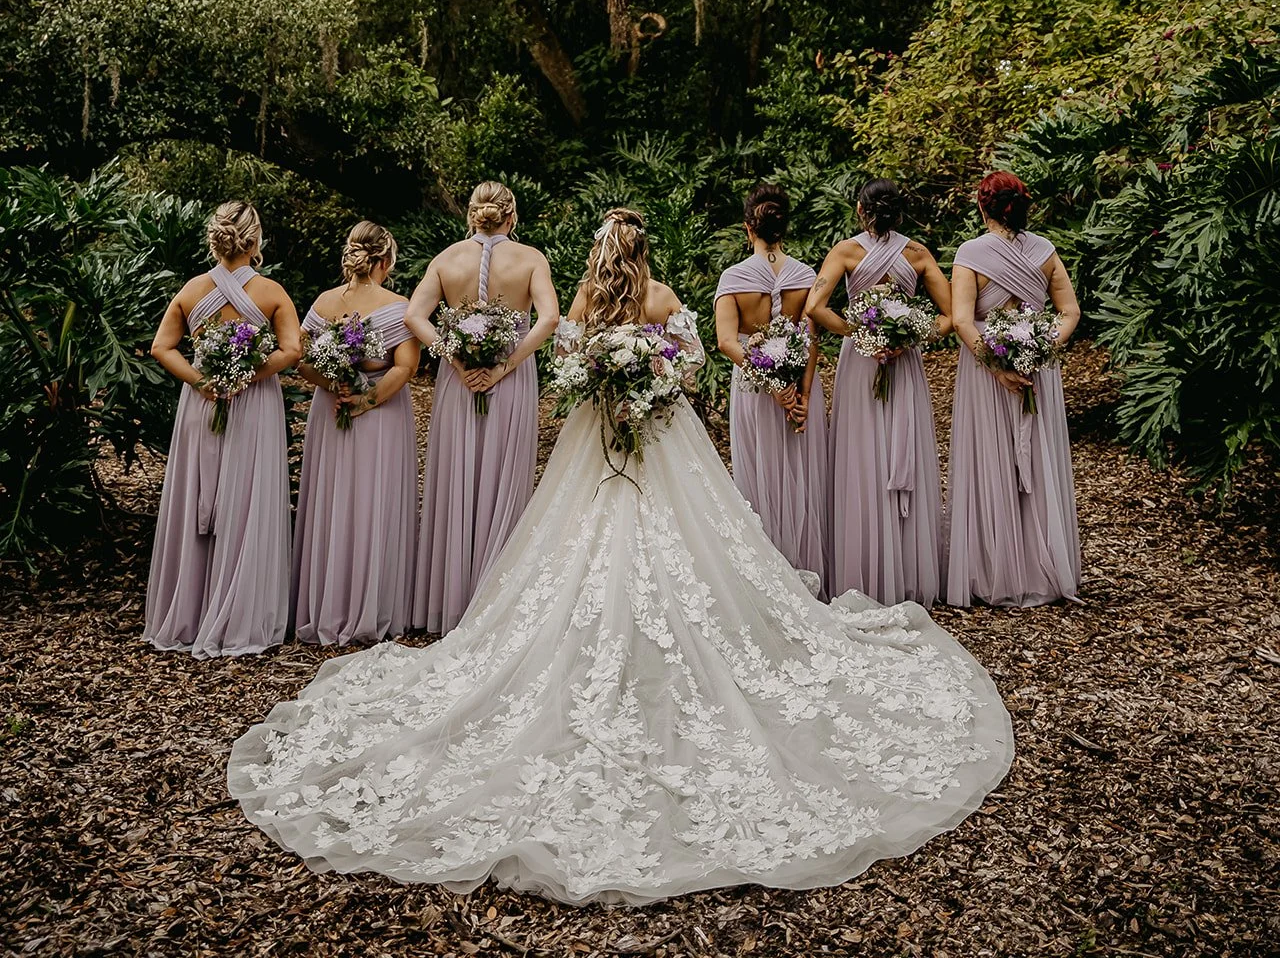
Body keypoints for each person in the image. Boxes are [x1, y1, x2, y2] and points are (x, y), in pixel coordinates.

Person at [229, 205, 1013, 905]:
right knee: (689, 550)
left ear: (602, 253)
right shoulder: (663, 297)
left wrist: (610, 378)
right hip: (660, 437)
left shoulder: (584, 301)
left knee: (578, 548)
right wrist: (654, 378)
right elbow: (693, 364)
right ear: (644, 253)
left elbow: (570, 359)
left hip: (601, 437)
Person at [145, 201, 300, 658]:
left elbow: (161, 347)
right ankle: (239, 614)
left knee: (200, 490)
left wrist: (203, 382)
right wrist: (248, 375)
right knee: (247, 496)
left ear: (215, 240)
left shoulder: (191, 290)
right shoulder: (271, 291)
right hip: (252, 403)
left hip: (203, 400)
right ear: (255, 240)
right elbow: (292, 350)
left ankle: (189, 614)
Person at [405, 181, 558, 634]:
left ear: (472, 215)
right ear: (511, 217)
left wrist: (455, 359)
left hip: (459, 383)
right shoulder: (531, 258)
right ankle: (498, 604)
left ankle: (450, 602)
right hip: (510, 380)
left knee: (458, 475)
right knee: (503, 475)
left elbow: (414, 316)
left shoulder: (446, 259)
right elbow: (550, 317)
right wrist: (506, 365)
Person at [807, 180, 950, 609]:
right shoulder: (918, 253)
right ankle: (910, 569)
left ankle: (864, 569)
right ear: (900, 213)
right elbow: (951, 315)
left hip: (861, 362)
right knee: (899, 446)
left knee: (862, 452)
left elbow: (815, 306)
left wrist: (857, 334)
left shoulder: (846, 252)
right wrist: (912, 337)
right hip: (904, 364)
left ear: (860, 209)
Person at [946, 171, 1082, 608]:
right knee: (1038, 460)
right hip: (1037, 370)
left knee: (991, 459)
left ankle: (994, 570)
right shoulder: (1045, 251)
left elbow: (962, 320)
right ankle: (1044, 566)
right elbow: (1070, 312)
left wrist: (997, 366)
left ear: (982, 206)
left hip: (987, 372)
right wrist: (1041, 349)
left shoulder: (970, 253)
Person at [292, 221, 421, 646]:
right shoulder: (399, 306)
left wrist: (334, 384)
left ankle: (326, 604)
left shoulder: (324, 302)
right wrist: (366, 400)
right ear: (385, 261)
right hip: (380, 416)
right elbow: (406, 366)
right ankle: (371, 604)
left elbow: (301, 360)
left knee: (333, 500)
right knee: (373, 499)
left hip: (331, 410)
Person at [714, 183, 828, 594]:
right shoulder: (806, 275)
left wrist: (770, 384)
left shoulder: (733, 278)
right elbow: (811, 339)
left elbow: (727, 342)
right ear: (784, 228)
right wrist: (803, 394)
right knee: (800, 471)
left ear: (749, 228)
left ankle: (765, 580)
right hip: (799, 385)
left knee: (757, 471)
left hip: (754, 388)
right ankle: (804, 567)